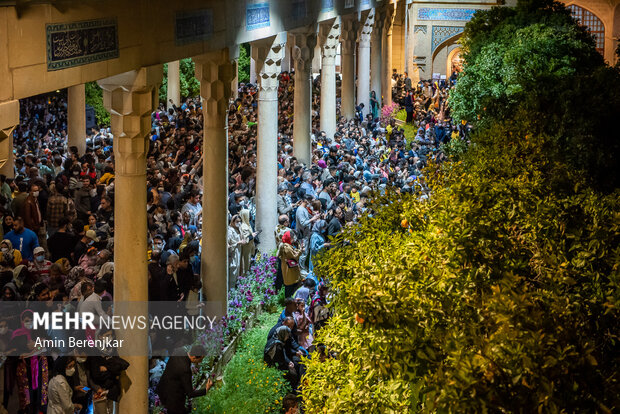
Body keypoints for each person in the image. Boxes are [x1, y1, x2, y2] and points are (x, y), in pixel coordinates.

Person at [156, 344, 213, 414]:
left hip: (162, 388)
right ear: (194, 357)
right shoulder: (185, 370)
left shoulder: (179, 351)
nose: (201, 362)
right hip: (172, 399)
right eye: (201, 359)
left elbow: (176, 369)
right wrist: (206, 389)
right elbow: (190, 393)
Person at [277, 231, 302, 298]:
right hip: (289, 271)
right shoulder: (287, 247)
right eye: (292, 238)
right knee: (290, 289)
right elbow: (295, 257)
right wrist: (300, 250)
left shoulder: (286, 245)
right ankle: (288, 304)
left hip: (288, 270)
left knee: (289, 288)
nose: (293, 239)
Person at [238, 209, 257, 276]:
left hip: (250, 248)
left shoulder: (247, 224)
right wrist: (252, 235)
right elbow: (245, 239)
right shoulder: (244, 226)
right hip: (246, 249)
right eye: (248, 215)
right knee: (246, 264)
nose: (250, 216)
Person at [227, 215, 242, 288]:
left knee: (236, 270)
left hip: (237, 252)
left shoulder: (237, 229)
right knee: (233, 270)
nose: (239, 223)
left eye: (240, 221)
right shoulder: (230, 230)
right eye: (237, 221)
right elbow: (228, 243)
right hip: (232, 254)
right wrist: (238, 243)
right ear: (232, 222)